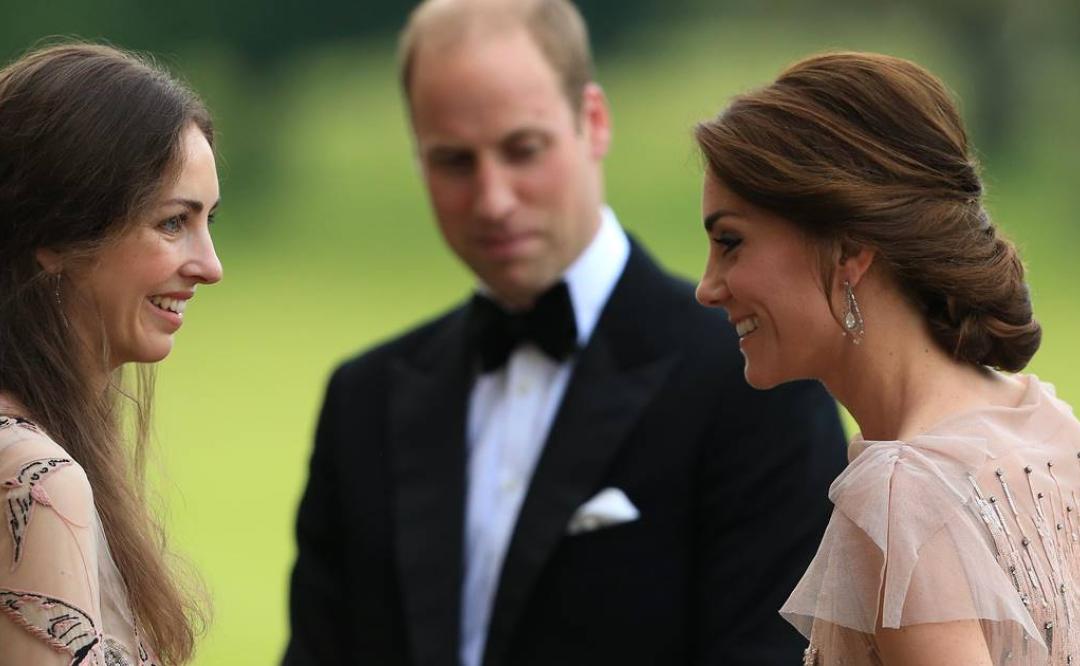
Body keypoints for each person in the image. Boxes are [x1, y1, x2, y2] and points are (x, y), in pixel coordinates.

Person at [282, 1, 847, 665]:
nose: (492, 199)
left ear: (593, 122)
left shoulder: (755, 381)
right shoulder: (363, 399)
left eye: (523, 149)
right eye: (454, 162)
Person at [693, 51, 1080, 665]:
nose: (708, 287)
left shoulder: (902, 495)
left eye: (731, 243)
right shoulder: (1047, 424)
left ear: (848, 248)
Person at [0, 43, 222, 665]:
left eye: (210, 221)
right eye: (174, 223)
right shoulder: (32, 481)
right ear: (56, 236)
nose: (211, 267)